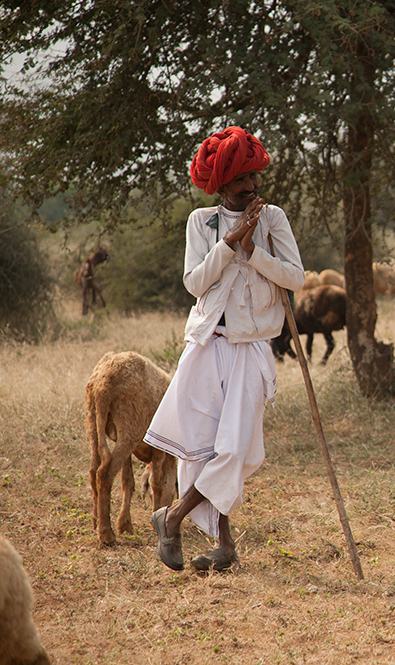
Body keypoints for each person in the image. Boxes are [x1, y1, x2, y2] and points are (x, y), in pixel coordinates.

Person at [144, 126, 305, 572]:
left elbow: (296, 278)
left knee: (235, 449)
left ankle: (172, 517)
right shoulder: (202, 222)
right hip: (206, 344)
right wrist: (229, 243)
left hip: (251, 347)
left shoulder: (273, 219)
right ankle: (226, 545)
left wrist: (254, 251)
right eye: (240, 181)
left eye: (253, 178)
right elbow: (194, 283)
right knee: (204, 448)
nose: (251, 187)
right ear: (221, 185)